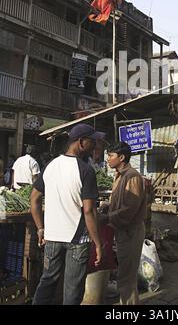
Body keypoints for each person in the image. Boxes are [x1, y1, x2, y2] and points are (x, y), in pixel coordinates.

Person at [30, 123, 104, 305]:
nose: (95, 145)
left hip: (52, 237)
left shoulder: (50, 166)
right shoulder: (86, 171)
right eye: (92, 141)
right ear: (80, 142)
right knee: (72, 289)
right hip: (77, 240)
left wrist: (40, 228)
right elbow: (88, 210)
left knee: (47, 282)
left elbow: (34, 200)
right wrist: (98, 243)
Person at [99, 142, 147, 305]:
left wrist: (107, 217)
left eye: (111, 156)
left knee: (126, 276)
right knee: (125, 274)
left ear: (122, 157)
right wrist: (107, 206)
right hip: (123, 230)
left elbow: (129, 208)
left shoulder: (131, 176)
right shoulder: (120, 175)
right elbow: (120, 202)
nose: (107, 159)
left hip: (130, 231)